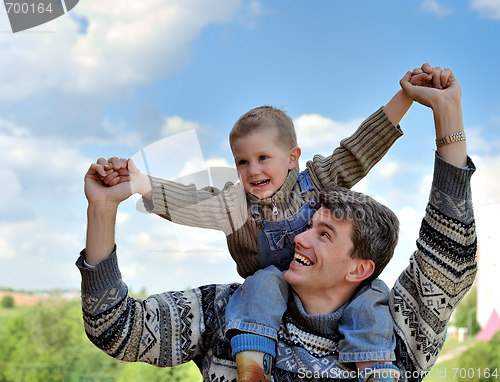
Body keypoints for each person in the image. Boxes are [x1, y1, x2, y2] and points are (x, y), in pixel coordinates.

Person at [79, 64, 477, 382]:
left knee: (371, 300)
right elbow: (189, 204)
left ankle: (374, 368)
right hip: (260, 296)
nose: (252, 170)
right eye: (241, 162)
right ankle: (252, 362)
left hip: (372, 324)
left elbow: (359, 151)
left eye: (324, 232)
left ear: (293, 157)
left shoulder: (400, 329)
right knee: (264, 282)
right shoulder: (224, 297)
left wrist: (414, 100)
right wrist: (122, 195)